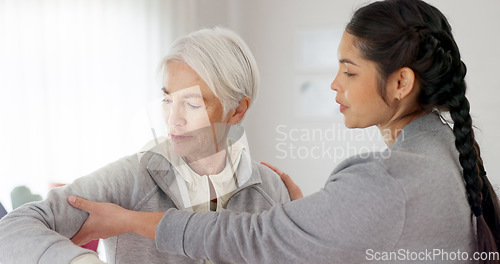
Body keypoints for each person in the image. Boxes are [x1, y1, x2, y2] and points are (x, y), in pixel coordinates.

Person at [64, 0, 500, 263]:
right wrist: (327, 218)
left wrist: (129, 222)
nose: (333, 84)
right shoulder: (445, 151)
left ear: (401, 83)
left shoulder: (383, 180)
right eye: (167, 98)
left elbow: (256, 238)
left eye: (348, 71)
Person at [0, 27, 290, 264]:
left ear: (237, 110)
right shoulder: (131, 179)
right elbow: (12, 228)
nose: (173, 119)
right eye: (167, 100)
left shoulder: (270, 190)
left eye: (191, 103)